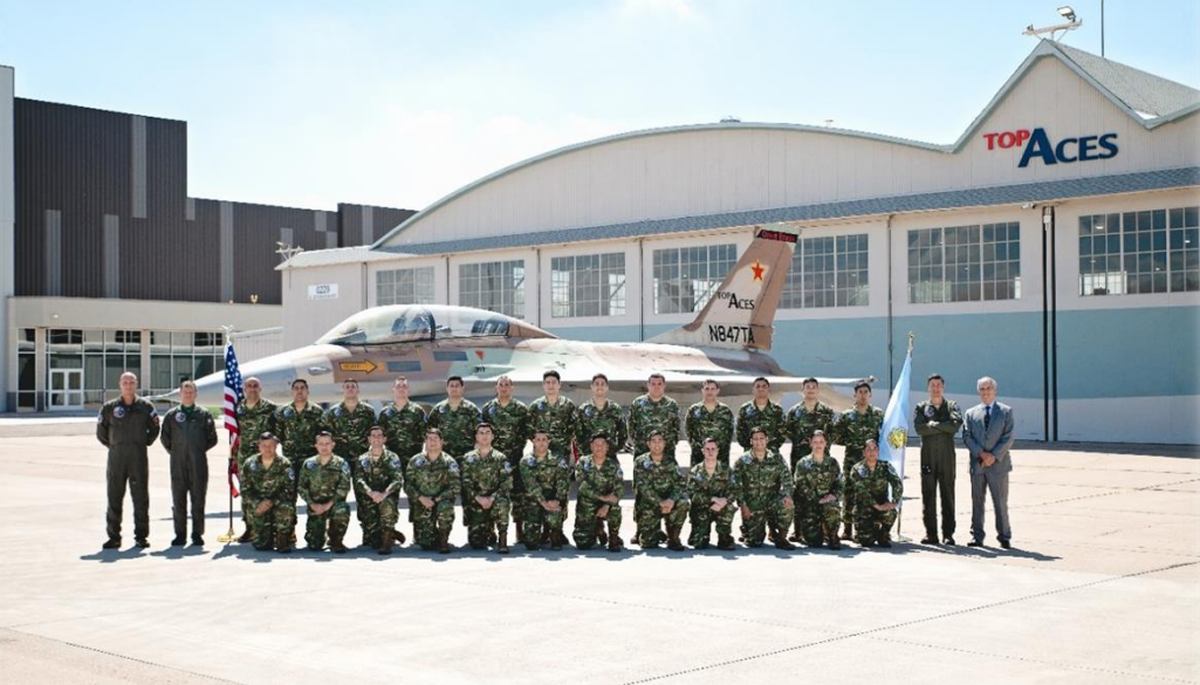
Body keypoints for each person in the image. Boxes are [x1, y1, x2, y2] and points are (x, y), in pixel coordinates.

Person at [97, 372, 161, 549]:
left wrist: (144, 442)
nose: (128, 385)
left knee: (140, 498)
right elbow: (101, 433)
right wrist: (115, 446)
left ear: (136, 384)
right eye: (125, 382)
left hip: (138, 457)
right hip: (116, 458)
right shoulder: (109, 407)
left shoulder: (146, 406)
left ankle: (141, 537)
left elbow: (155, 428)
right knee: (114, 497)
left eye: (131, 382)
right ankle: (114, 537)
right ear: (120, 384)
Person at [159, 380, 218, 546]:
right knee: (178, 500)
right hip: (177, 463)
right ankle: (180, 535)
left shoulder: (203, 414)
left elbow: (212, 438)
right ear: (180, 394)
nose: (188, 394)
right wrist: (178, 451)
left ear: (196, 394)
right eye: (185, 391)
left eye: (191, 391)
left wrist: (196, 449)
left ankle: (197, 534)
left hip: (198, 463)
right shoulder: (171, 415)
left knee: (198, 499)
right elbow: (165, 438)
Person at [962, 376, 1015, 549]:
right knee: (977, 502)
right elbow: (967, 436)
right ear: (979, 392)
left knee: (1000, 502)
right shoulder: (970, 413)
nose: (985, 392)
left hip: (998, 466)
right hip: (978, 465)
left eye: (988, 388)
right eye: (982, 389)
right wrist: (982, 454)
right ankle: (977, 536)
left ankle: (1004, 536)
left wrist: (993, 456)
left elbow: (1008, 437)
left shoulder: (1006, 412)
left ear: (995, 390)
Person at [914, 374, 963, 545]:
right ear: (928, 388)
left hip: (946, 457)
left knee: (947, 494)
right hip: (927, 457)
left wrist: (933, 425)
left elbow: (955, 426)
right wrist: (942, 427)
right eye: (932, 385)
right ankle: (931, 533)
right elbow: (920, 429)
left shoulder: (951, 406)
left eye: (938, 385)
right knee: (928, 494)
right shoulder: (921, 407)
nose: (936, 388)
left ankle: (948, 534)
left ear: (943, 387)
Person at [832, 381, 884, 540]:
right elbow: (837, 435)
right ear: (854, 395)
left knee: (872, 491)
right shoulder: (847, 415)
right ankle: (847, 529)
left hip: (872, 461)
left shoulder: (878, 414)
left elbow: (883, 436)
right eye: (860, 392)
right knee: (849, 492)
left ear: (870, 395)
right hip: (852, 460)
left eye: (865, 392)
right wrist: (852, 443)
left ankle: (873, 527)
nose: (863, 395)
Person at [482, 375, 530, 543]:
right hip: (494, 461)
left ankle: (519, 529)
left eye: (507, 385)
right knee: (492, 494)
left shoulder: (521, 409)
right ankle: (490, 530)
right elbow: (483, 434)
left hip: (515, 459)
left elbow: (527, 431)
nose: (504, 388)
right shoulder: (488, 409)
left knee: (518, 496)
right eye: (500, 385)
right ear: (496, 388)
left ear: (512, 388)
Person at [732, 427, 795, 550]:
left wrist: (787, 495)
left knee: (787, 505)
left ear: (767, 440)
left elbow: (787, 479)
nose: (759, 441)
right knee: (754, 543)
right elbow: (736, 485)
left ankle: (780, 536)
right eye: (755, 439)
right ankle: (747, 529)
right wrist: (743, 505)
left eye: (761, 438)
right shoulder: (742, 461)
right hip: (753, 505)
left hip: (772, 501)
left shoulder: (777, 458)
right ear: (751, 441)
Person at [234, 376, 277, 543]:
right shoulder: (238, 409)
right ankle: (249, 528)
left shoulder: (270, 408)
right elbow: (234, 432)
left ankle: (270, 527)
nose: (252, 388)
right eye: (249, 386)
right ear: (245, 389)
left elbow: (277, 431)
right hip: (244, 456)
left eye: (255, 386)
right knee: (247, 492)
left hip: (264, 457)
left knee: (267, 490)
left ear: (260, 388)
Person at [460, 423, 514, 554]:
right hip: (476, 502)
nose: (484, 436)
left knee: (502, 502)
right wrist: (478, 498)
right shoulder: (468, 458)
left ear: (493, 437)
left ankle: (502, 539)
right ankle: (488, 530)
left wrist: (492, 497)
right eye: (481, 433)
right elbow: (465, 483)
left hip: (495, 500)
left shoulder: (500, 458)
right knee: (477, 543)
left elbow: (507, 482)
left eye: (488, 432)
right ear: (476, 437)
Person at [405, 428, 461, 553]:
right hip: (422, 502)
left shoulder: (449, 462)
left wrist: (437, 499)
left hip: (441, 501)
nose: (433, 442)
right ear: (425, 441)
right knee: (426, 544)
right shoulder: (415, 461)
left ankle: (443, 540)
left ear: (442, 442)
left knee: (445, 507)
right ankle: (431, 535)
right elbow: (408, 485)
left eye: (436, 439)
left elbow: (455, 486)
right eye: (429, 439)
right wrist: (421, 498)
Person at [633, 430, 690, 550]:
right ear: (648, 444)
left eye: (660, 441)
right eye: (653, 441)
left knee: (683, 503)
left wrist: (671, 500)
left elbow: (680, 483)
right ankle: (652, 532)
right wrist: (660, 502)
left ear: (664, 443)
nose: (657, 444)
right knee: (648, 545)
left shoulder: (671, 461)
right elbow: (642, 487)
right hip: (649, 504)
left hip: (669, 502)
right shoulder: (640, 462)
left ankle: (673, 537)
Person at [297, 431, 352, 553]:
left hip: (334, 505)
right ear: (316, 445)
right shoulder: (309, 464)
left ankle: (336, 539)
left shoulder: (341, 463)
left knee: (342, 510)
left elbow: (344, 487)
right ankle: (319, 534)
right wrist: (312, 504)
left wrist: (329, 504)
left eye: (327, 443)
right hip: (315, 507)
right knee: (314, 546)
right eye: (321, 444)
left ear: (333, 445)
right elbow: (301, 487)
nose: (324, 447)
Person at [241, 432, 296, 553]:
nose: (267, 448)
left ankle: (282, 538)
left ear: (276, 445)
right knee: (261, 546)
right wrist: (257, 503)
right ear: (258, 446)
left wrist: (271, 501)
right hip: (259, 506)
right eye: (264, 445)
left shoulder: (284, 463)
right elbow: (245, 489)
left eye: (271, 445)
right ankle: (265, 536)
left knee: (286, 507)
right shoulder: (250, 464)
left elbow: (289, 489)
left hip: (278, 503)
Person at [354, 426, 405, 555]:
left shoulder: (392, 457)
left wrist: (384, 494)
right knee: (372, 542)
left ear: (384, 439)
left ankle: (387, 541)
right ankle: (388, 533)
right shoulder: (362, 459)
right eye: (373, 436)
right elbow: (359, 480)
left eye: (379, 436)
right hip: (368, 498)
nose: (376, 438)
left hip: (386, 497)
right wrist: (371, 493)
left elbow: (397, 479)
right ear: (369, 439)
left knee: (386, 505)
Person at [518, 430, 571, 551]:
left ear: (549, 442)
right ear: (533, 442)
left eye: (544, 440)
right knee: (531, 544)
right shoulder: (525, 461)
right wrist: (543, 502)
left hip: (553, 501)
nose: (541, 443)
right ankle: (537, 533)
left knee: (555, 513)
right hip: (534, 502)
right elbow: (531, 485)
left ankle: (555, 533)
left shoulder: (558, 460)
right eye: (538, 440)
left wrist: (557, 500)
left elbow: (563, 482)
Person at [573, 433, 624, 552]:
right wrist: (603, 497)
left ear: (607, 447)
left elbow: (619, 488)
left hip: (606, 505)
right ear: (591, 447)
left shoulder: (613, 465)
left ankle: (613, 537)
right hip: (587, 505)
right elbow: (582, 485)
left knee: (615, 508)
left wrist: (607, 504)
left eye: (602, 445)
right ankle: (598, 529)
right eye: (596, 444)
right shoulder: (583, 462)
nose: (599, 447)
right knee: (582, 544)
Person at [791, 430, 842, 549]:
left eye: (821, 442)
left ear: (826, 444)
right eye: (815, 442)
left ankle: (832, 535)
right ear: (810, 443)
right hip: (809, 505)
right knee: (814, 543)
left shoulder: (832, 463)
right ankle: (816, 530)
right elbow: (801, 486)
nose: (818, 445)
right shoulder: (803, 463)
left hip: (828, 503)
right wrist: (817, 500)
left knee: (832, 507)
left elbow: (839, 484)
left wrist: (833, 496)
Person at [848, 439, 902, 548]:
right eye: (868, 449)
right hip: (864, 508)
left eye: (875, 449)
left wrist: (894, 502)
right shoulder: (857, 469)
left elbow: (897, 483)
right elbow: (861, 491)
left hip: (882, 504)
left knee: (891, 512)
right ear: (863, 452)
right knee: (866, 542)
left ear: (878, 451)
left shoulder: (885, 466)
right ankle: (870, 531)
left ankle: (883, 534)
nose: (872, 452)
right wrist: (876, 506)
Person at [687, 438, 736, 550]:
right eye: (707, 449)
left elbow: (734, 490)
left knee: (729, 507)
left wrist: (724, 501)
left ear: (718, 451)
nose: (710, 451)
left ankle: (724, 536)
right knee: (699, 545)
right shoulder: (695, 471)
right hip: (702, 508)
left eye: (713, 449)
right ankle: (697, 533)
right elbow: (693, 494)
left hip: (721, 507)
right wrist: (713, 499)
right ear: (702, 451)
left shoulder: (726, 470)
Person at [274, 378, 324, 488]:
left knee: (313, 492)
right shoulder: (282, 411)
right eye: (296, 388)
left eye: (302, 388)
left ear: (308, 391)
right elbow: (278, 434)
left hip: (311, 459)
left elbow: (322, 435)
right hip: (290, 459)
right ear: (292, 392)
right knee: (289, 493)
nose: (299, 391)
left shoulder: (317, 411)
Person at [321, 379, 377, 472]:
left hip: (363, 456)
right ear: (343, 390)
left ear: (358, 390)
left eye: (353, 386)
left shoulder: (368, 411)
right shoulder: (333, 412)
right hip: (340, 457)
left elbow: (374, 432)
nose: (350, 389)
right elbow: (327, 434)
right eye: (347, 387)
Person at [377, 376, 428, 473]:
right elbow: (379, 436)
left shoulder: (417, 411)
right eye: (398, 386)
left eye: (404, 386)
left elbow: (426, 434)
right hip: (390, 460)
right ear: (393, 390)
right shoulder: (385, 412)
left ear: (408, 390)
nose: (401, 389)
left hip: (413, 459)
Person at [629, 373, 682, 463]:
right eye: (653, 384)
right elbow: (631, 426)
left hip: (666, 453)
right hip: (642, 451)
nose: (656, 387)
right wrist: (640, 443)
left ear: (664, 385)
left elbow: (676, 428)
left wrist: (669, 444)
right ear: (648, 385)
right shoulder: (638, 404)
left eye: (659, 384)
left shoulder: (671, 405)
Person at [783, 377, 835, 467]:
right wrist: (799, 441)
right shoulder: (794, 411)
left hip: (821, 454)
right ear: (803, 390)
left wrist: (824, 443)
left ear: (818, 391)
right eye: (808, 387)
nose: (811, 389)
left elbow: (833, 431)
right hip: (799, 455)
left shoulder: (826, 411)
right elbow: (787, 431)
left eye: (813, 387)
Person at [427, 376, 481, 460]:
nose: (454, 388)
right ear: (447, 388)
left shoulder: (471, 409)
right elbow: (430, 430)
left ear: (462, 388)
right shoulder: (438, 409)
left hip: (466, 454)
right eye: (451, 386)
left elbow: (480, 431)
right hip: (443, 455)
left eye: (457, 386)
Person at [685, 380, 735, 467]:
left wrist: (722, 447)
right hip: (699, 455)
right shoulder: (694, 410)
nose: (709, 391)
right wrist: (696, 446)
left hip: (720, 455)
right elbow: (688, 430)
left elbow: (730, 431)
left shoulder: (725, 411)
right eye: (707, 388)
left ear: (717, 391)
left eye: (712, 389)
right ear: (702, 391)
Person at [575, 373, 627, 457]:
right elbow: (578, 435)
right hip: (589, 457)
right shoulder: (583, 409)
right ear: (592, 387)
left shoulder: (615, 409)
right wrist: (585, 452)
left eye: (603, 384)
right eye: (597, 384)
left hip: (609, 457)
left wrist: (614, 449)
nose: (600, 387)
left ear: (607, 387)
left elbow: (623, 433)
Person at [736, 377, 786, 454]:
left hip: (771, 453)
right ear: (753, 390)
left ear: (769, 390)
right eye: (758, 386)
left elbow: (782, 432)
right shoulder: (745, 409)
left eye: (764, 386)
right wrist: (749, 446)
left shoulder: (777, 409)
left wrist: (773, 447)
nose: (761, 389)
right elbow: (740, 431)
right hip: (750, 453)